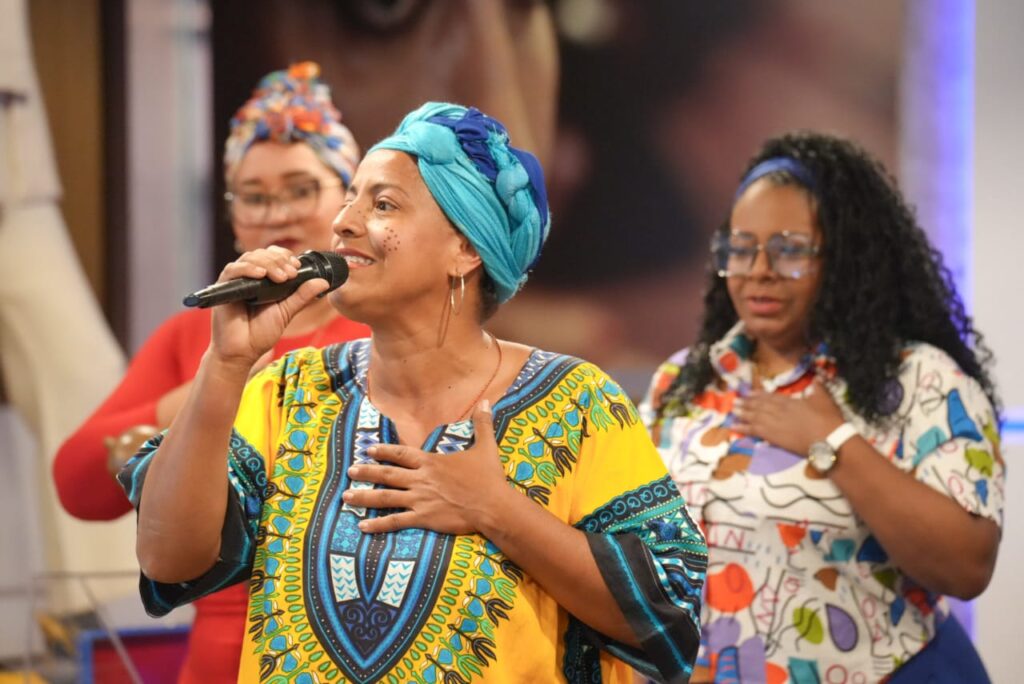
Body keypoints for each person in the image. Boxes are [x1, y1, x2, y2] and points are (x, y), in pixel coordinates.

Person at [119, 102, 707, 683]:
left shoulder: (578, 403)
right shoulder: (287, 390)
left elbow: (667, 612)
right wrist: (226, 364)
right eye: (350, 197)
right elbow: (168, 560)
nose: (344, 222)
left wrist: (498, 510)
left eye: (382, 204)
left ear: (466, 249)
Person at [641, 132, 1002, 683]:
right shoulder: (681, 382)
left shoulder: (920, 381)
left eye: (789, 250)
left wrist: (833, 442)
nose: (759, 269)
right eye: (741, 247)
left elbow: (966, 566)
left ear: (845, 261)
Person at [53, 62, 369, 683]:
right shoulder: (194, 336)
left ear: (346, 201)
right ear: (232, 213)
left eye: (301, 189)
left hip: (346, 642)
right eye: (253, 195)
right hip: (217, 654)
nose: (276, 214)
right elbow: (77, 485)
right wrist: (214, 382)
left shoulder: (378, 330)